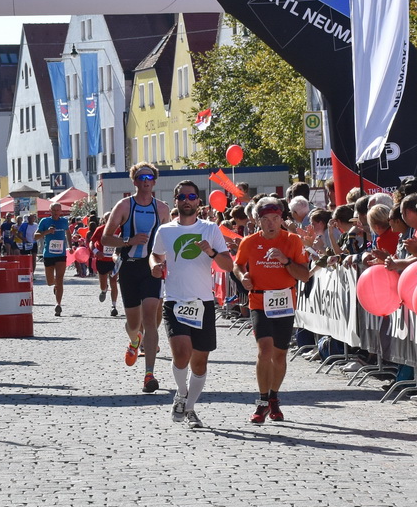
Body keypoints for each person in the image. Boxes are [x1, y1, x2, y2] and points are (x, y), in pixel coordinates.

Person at [150, 180, 235, 429]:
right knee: (181, 353)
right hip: (175, 300)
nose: (187, 200)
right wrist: (155, 265)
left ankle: (188, 406)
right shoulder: (165, 231)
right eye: (182, 196)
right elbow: (156, 254)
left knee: (199, 362)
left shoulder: (210, 229)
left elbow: (228, 265)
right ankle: (181, 392)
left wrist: (211, 252)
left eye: (192, 196)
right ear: (175, 201)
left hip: (203, 303)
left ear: (199, 201)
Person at [233, 197, 311, 424]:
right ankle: (262, 400)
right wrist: (243, 276)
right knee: (264, 351)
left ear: (282, 219)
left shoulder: (293, 241)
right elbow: (238, 265)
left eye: (275, 219)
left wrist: (285, 261)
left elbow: (304, 275)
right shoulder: (248, 242)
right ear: (257, 220)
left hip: (284, 302)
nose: (270, 224)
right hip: (259, 301)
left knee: (279, 355)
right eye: (265, 219)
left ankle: (274, 398)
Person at [104, 164, 167, 392]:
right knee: (134, 324)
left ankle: (149, 375)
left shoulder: (162, 209)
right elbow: (105, 238)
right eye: (141, 177)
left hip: (151, 269)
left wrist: (166, 261)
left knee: (150, 318)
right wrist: (127, 242)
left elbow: (167, 241)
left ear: (154, 181)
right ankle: (134, 341)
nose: (146, 180)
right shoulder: (124, 206)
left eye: (150, 177)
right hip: (129, 268)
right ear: (135, 181)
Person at [35, 202, 72, 316]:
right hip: (49, 255)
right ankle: (55, 286)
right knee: (50, 282)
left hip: (61, 254)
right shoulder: (44, 221)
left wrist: (70, 246)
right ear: (50, 211)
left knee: (60, 279)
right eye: (54, 210)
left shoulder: (64, 221)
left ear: (61, 211)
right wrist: (47, 232)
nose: (56, 212)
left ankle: (58, 304)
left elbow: (68, 233)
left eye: (58, 210)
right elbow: (36, 236)